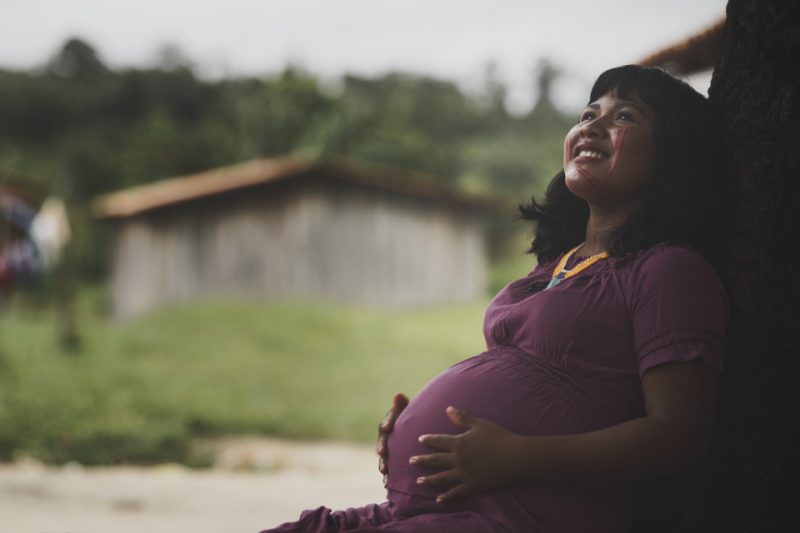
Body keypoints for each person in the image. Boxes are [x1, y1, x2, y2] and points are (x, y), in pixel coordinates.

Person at [260, 65, 730, 533]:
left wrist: (518, 455)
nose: (593, 125)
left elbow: (678, 435)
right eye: (589, 114)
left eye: (624, 117)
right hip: (431, 509)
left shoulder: (667, 268)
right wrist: (418, 435)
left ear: (672, 156)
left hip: (516, 518)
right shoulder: (558, 265)